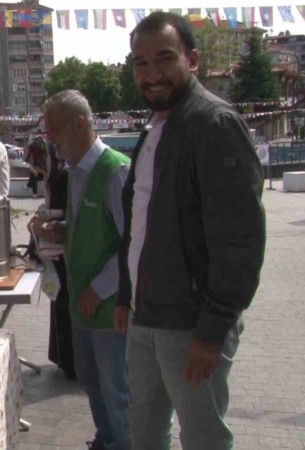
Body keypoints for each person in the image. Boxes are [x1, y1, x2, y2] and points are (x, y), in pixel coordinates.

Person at [114, 13, 265, 450]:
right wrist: (126, 295)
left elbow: (240, 241)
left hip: (191, 326)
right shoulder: (156, 127)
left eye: (164, 59)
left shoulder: (213, 124)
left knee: (203, 439)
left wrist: (213, 329)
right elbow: (139, 223)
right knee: (145, 434)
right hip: (145, 318)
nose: (151, 73)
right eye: (140, 63)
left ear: (192, 59)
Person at [40, 90, 131, 450]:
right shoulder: (75, 172)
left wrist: (102, 287)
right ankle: (106, 441)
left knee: (118, 390)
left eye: (54, 131)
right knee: (91, 384)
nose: (50, 140)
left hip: (110, 307)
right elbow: (94, 228)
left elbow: (132, 243)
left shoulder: (115, 171)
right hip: (82, 303)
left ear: (80, 124)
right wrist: (60, 231)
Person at [28, 149, 75, 379]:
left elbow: (68, 215)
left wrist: (44, 224)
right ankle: (63, 358)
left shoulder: (64, 177)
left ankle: (71, 361)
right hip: (55, 254)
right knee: (59, 304)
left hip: (63, 253)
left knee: (65, 305)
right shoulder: (54, 179)